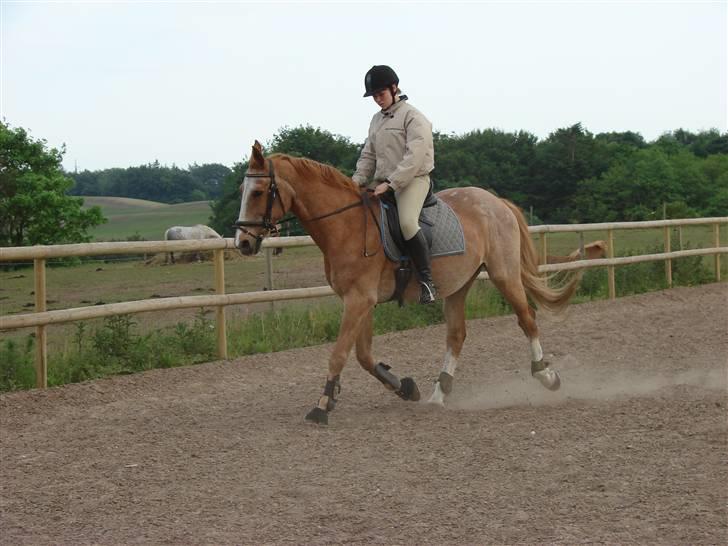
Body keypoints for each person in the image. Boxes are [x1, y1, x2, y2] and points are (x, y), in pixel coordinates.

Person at [352, 65, 437, 304]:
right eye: (374, 96)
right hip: (383, 182)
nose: (377, 100)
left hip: (413, 180)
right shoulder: (376, 120)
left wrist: (391, 184)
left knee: (408, 223)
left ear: (394, 88)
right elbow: (368, 156)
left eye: (380, 94)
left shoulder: (413, 117)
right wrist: (355, 182)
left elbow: (415, 156)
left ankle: (426, 281)